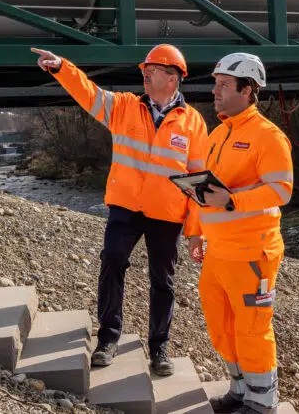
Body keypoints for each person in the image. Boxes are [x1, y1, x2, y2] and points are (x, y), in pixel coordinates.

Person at [32, 44, 208, 376]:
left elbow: (198, 183)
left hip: (167, 215)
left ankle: (159, 348)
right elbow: (89, 94)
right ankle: (108, 339)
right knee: (112, 261)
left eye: (152, 71)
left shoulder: (193, 123)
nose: (145, 74)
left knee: (164, 282)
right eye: (145, 70)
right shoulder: (125, 106)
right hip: (125, 207)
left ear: (173, 78)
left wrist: (196, 231)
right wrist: (61, 67)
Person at [188, 53, 293, 413]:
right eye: (215, 83)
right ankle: (240, 389)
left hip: (253, 252)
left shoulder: (268, 136)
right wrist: (197, 232)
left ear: (247, 90)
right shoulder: (218, 133)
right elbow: (211, 192)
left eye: (223, 85)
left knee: (251, 328)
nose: (214, 91)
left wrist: (233, 201)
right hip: (218, 252)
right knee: (221, 324)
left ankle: (263, 401)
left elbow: (281, 190)